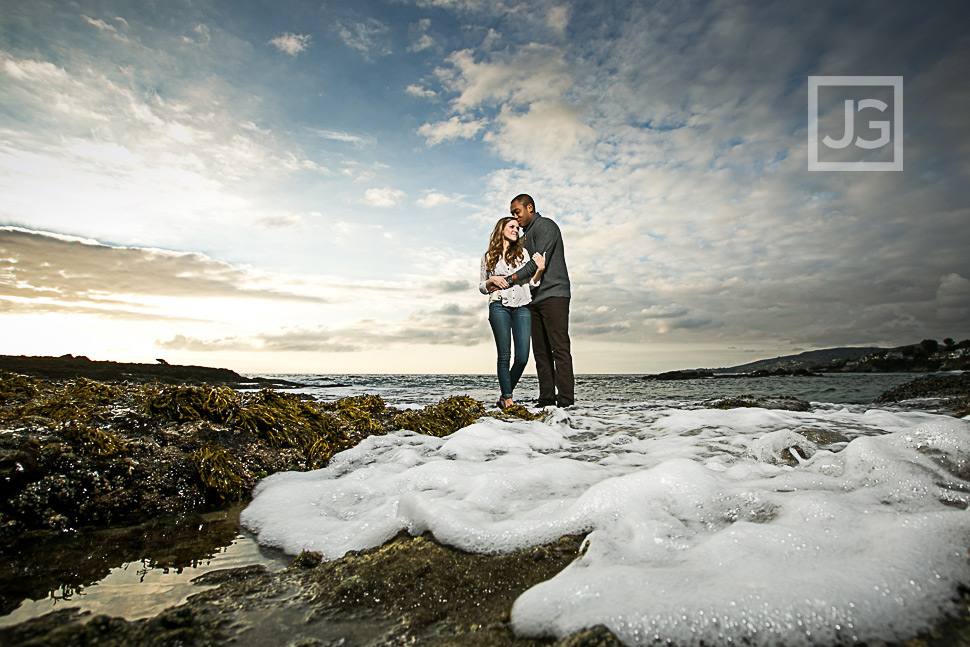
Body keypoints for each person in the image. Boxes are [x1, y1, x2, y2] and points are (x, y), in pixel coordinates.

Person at [501, 194, 574, 407]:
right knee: (540, 352)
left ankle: (567, 402)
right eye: (512, 213)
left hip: (555, 294)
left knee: (559, 348)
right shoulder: (522, 238)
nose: (515, 216)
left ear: (530, 208)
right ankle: (546, 400)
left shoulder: (547, 227)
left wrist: (509, 280)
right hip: (532, 298)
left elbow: (534, 265)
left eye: (518, 212)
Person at [480, 216, 546, 409]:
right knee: (504, 356)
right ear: (501, 229)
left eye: (518, 227)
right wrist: (491, 282)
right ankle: (508, 400)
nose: (516, 230)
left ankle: (503, 395)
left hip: (522, 306)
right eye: (512, 226)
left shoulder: (523, 254)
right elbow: (482, 287)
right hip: (499, 306)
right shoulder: (487, 256)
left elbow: (532, 283)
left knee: (523, 357)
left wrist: (540, 269)